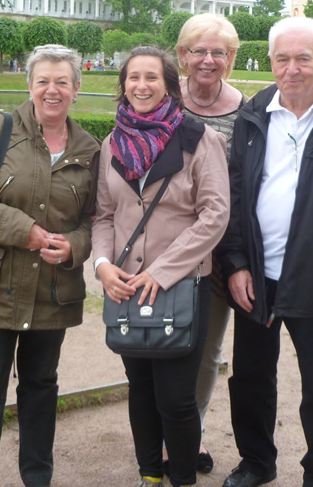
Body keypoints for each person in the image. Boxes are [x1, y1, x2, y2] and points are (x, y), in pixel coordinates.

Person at [216, 16, 313, 487]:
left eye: (304, 58)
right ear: (270, 62)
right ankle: (257, 463)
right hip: (257, 277)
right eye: (282, 58)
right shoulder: (251, 116)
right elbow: (235, 196)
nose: (293, 69)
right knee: (250, 379)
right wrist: (237, 264)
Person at [0, 44, 100, 487]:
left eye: (62, 82)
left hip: (53, 291)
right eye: (43, 81)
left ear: (76, 88)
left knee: (40, 388)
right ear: (29, 85)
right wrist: (26, 231)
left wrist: (74, 245)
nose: (52, 91)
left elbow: (97, 220)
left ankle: (38, 477)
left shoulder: (91, 149)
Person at [92, 46, 231, 487]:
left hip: (182, 285)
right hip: (127, 285)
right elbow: (103, 216)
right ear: (123, 85)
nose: (141, 86)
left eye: (152, 78)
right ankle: (150, 475)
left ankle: (183, 478)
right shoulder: (112, 143)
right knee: (141, 390)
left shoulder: (200, 139)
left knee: (176, 398)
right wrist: (101, 265)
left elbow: (215, 214)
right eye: (133, 78)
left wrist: (163, 270)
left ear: (170, 85)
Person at [172, 14, 245, 476]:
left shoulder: (249, 109)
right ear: (182, 55)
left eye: (219, 52)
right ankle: (163, 436)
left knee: (207, 352)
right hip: (166, 249)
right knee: (162, 341)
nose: (208, 59)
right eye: (199, 50)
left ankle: (189, 437)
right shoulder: (161, 100)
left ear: (231, 59)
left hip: (219, 253)